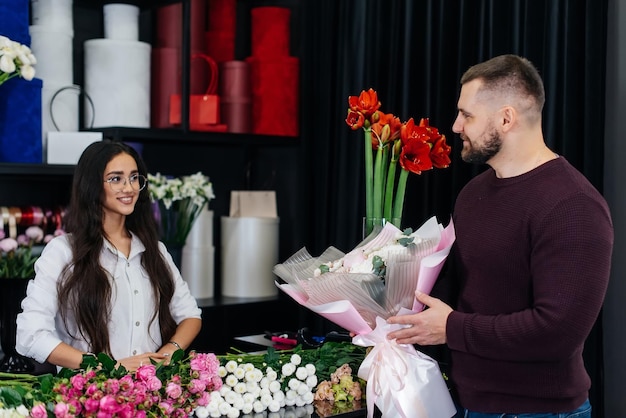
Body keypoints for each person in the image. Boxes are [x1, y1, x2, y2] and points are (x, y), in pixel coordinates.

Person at [386, 54, 614, 417]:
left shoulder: (574, 206)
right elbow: (459, 284)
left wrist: (450, 328)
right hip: (465, 402)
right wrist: (393, 306)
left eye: (467, 115)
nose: (456, 126)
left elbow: (557, 332)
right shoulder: (473, 193)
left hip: (540, 412)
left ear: (506, 118)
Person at [16, 141, 202, 371]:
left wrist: (168, 353)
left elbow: (190, 315)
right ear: (92, 186)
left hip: (150, 394)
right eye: (116, 179)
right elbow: (30, 335)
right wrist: (107, 367)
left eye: (134, 178)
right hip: (89, 396)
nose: (129, 187)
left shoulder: (155, 250)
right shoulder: (63, 251)